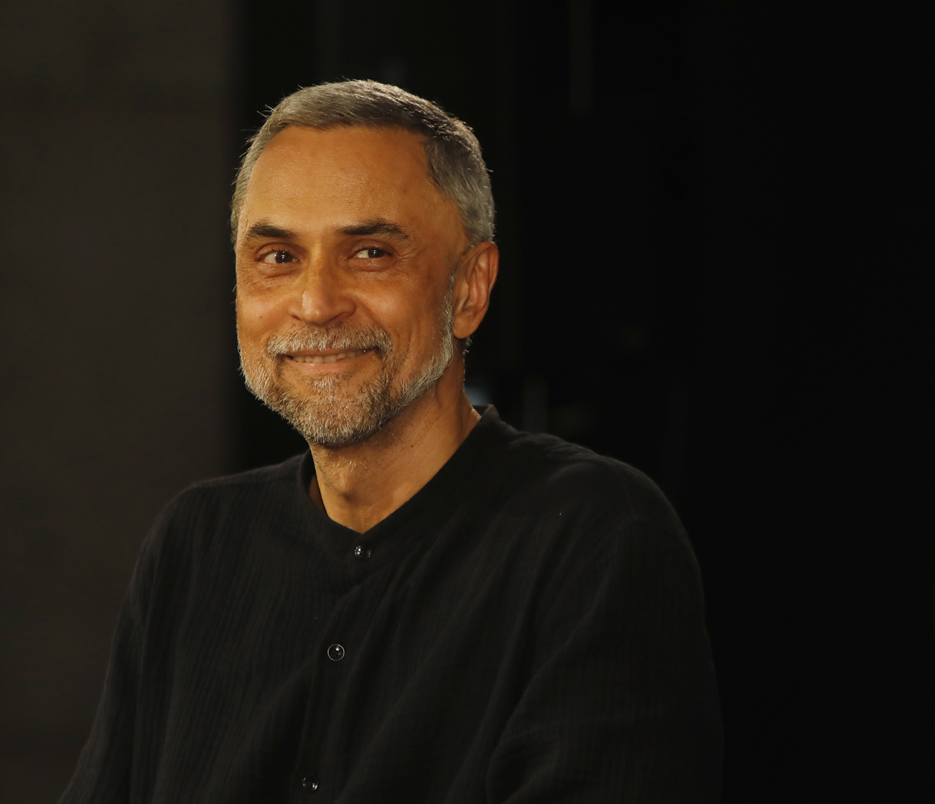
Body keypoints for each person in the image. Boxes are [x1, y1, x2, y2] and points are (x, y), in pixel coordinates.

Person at [60, 79, 722, 803]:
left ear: (469, 289)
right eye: (278, 257)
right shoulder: (197, 544)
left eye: (370, 252)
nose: (316, 303)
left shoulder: (593, 538)